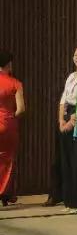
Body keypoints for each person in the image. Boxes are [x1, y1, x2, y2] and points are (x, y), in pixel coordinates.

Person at [50, 44, 77, 213]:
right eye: (75, 54)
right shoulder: (72, 75)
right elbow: (64, 99)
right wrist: (61, 121)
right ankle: (70, 201)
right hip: (67, 115)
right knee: (67, 160)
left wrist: (72, 121)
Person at [0, 51, 26, 206]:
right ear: (9, 64)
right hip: (7, 124)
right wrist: (11, 117)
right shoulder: (15, 83)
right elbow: (21, 109)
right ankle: (4, 193)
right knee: (7, 160)